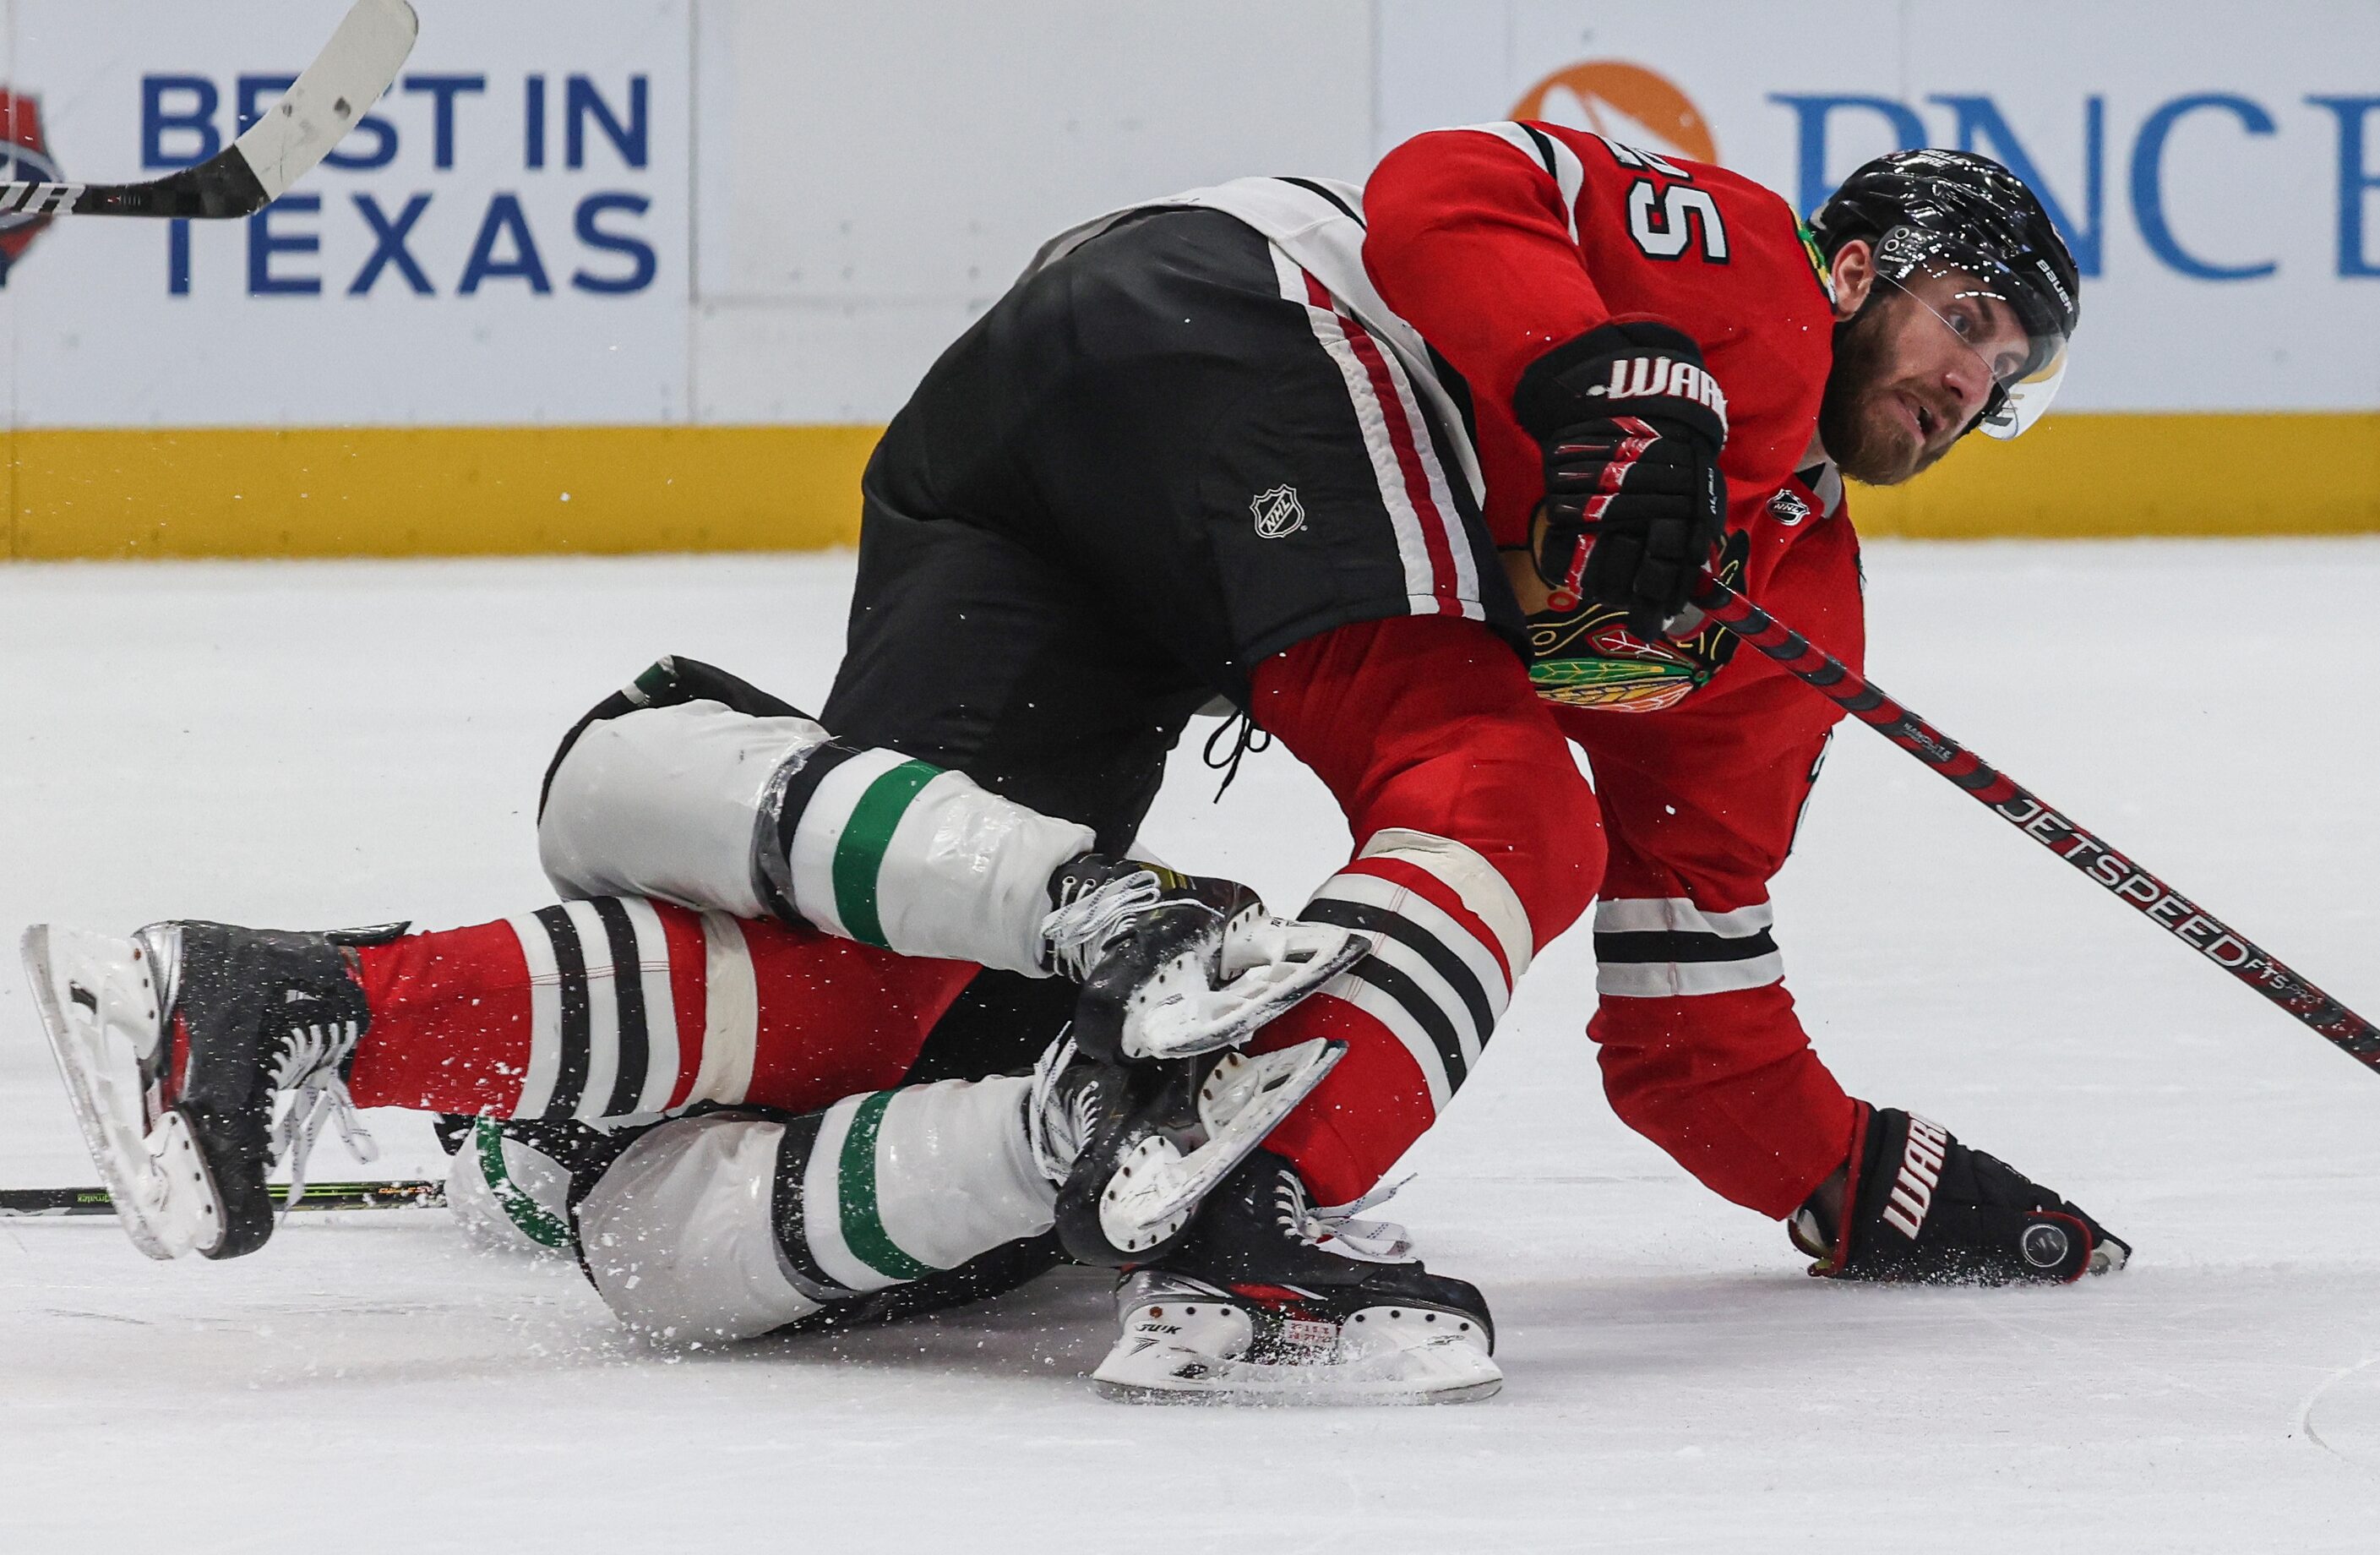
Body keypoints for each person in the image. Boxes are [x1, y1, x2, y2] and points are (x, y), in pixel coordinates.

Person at [25, 136, 2123, 1405]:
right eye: (1961, 319)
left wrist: (1862, 1185)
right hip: (1237, 327)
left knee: (889, 1000)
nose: (1966, 381)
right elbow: (1446, 193)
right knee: (1506, 787)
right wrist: (1624, 377)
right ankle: (1244, 1193)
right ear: (1853, 266)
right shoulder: (1737, 283)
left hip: (1058, 475)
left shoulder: (1787, 640)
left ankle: (286, 1006)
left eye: (2004, 379)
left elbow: (1689, 1015)